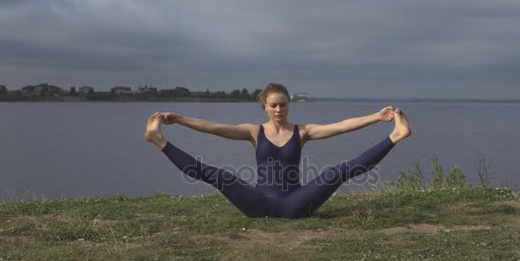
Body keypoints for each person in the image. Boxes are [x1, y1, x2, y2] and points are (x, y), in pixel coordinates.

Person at [144, 83, 411, 218]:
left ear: (288, 105)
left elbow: (340, 126)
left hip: (296, 202)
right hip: (258, 202)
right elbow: (213, 127)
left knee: (338, 172)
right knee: (215, 175)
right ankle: (158, 139)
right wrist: (179, 119)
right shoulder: (253, 132)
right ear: (265, 106)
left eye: (282, 104)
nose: (278, 109)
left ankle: (395, 136)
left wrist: (375, 117)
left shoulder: (302, 132)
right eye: (273, 105)